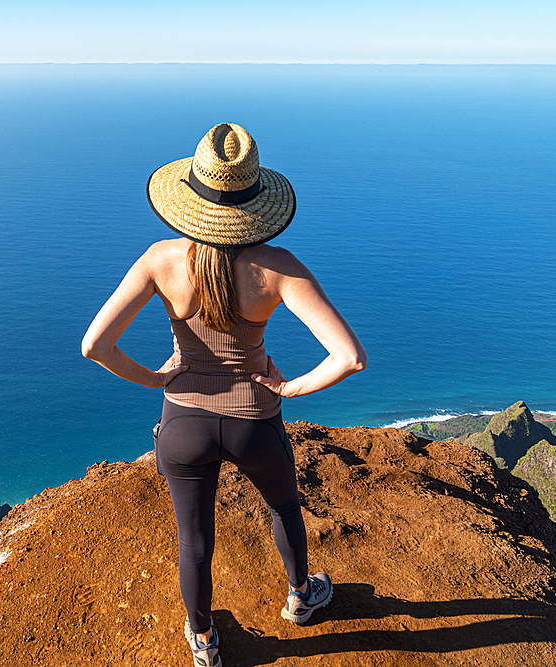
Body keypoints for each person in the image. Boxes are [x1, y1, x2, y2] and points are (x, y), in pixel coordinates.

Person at [81, 123, 366, 667]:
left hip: (183, 426)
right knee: (284, 507)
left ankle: (205, 642)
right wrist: (289, 387)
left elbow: (95, 344)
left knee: (194, 538)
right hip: (255, 423)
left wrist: (156, 379)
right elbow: (350, 357)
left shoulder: (160, 260)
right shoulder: (278, 268)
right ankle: (302, 598)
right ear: (256, 199)